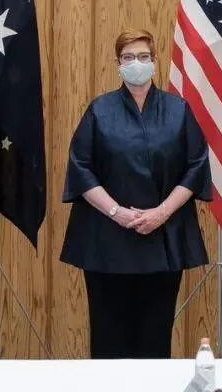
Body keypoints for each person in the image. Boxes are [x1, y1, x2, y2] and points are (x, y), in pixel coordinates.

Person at [60, 29, 210, 359]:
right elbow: (81, 168)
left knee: (155, 338)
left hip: (162, 239)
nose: (136, 64)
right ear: (118, 64)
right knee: (108, 338)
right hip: (107, 242)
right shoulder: (100, 110)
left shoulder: (178, 110)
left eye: (143, 57)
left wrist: (161, 212)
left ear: (154, 62)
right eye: (128, 58)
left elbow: (196, 166)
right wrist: (118, 213)